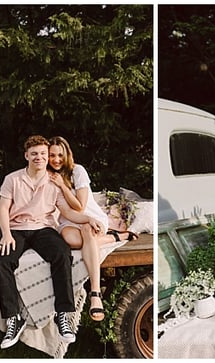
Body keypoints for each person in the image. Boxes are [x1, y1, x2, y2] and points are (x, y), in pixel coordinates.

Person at [0, 135, 100, 349]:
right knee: (1, 261)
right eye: (34, 154)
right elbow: (3, 208)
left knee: (62, 253)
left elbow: (68, 211)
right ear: (26, 155)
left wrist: (88, 218)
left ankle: (63, 315)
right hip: (17, 229)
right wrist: (6, 234)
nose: (39, 157)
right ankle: (14, 319)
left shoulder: (53, 180)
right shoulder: (12, 179)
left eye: (43, 154)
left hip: (44, 228)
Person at [47, 136, 136, 322]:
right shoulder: (49, 177)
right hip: (69, 221)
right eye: (52, 155)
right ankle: (115, 237)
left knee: (87, 232)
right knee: (72, 241)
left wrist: (62, 185)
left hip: (91, 218)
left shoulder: (77, 171)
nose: (56, 160)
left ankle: (95, 293)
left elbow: (80, 206)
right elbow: (67, 212)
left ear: (67, 154)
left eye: (60, 155)